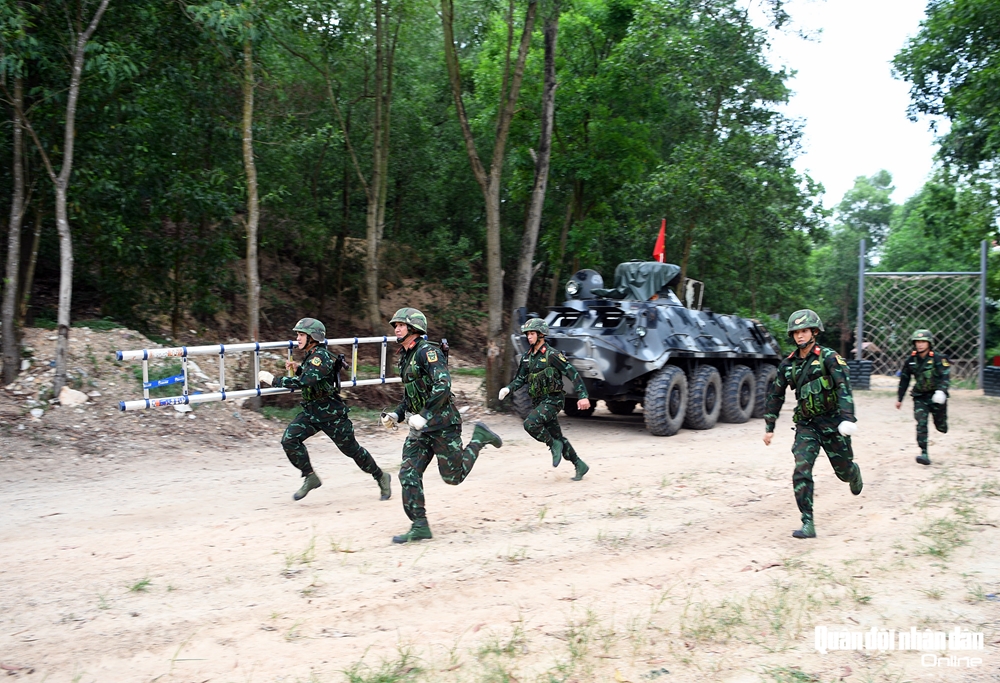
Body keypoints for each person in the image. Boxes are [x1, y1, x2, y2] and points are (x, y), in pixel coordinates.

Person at [380, 307, 503, 544]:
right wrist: (397, 415)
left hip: (443, 425)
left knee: (453, 477)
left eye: (401, 325)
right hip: (420, 428)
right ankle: (420, 525)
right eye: (395, 325)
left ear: (414, 329)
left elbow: (443, 385)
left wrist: (425, 414)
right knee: (408, 473)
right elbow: (411, 394)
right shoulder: (405, 356)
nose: (396, 328)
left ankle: (479, 438)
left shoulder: (428, 352)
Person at [258, 318, 391, 502]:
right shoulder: (312, 355)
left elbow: (305, 381)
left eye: (301, 335)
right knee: (289, 439)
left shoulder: (320, 356)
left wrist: (274, 380)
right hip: (312, 412)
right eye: (297, 334)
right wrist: (299, 368)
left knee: (353, 451)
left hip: (331, 415)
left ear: (313, 337)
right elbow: (312, 376)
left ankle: (381, 476)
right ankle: (310, 476)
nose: (297, 338)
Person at [763, 309, 863, 539]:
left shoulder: (828, 358)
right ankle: (807, 521)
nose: (800, 336)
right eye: (796, 332)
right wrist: (770, 427)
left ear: (814, 332)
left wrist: (848, 418)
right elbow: (775, 396)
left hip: (834, 423)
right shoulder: (788, 365)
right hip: (807, 425)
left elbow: (843, 388)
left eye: (804, 331)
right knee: (801, 470)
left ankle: (853, 472)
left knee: (843, 471)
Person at [499, 318, 591, 481]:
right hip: (539, 402)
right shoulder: (527, 357)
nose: (529, 337)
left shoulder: (552, 355)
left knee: (530, 424)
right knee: (558, 437)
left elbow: (572, 373)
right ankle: (579, 464)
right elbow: (520, 378)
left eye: (532, 333)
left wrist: (582, 395)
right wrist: (508, 388)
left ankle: (553, 445)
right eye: (527, 334)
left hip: (553, 400)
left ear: (541, 335)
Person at [895, 329, 950, 466]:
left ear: (929, 343)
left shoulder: (938, 358)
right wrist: (899, 398)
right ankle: (924, 452)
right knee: (921, 423)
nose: (920, 344)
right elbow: (904, 380)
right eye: (917, 342)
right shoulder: (911, 360)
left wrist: (941, 391)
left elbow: (945, 376)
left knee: (941, 425)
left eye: (923, 342)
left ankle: (941, 424)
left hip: (937, 396)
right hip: (920, 397)